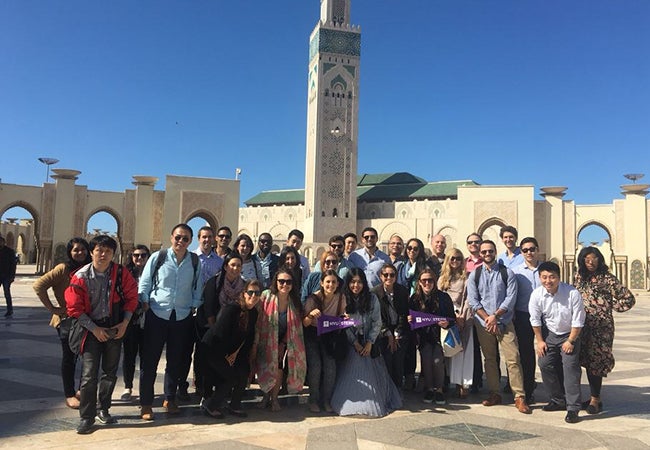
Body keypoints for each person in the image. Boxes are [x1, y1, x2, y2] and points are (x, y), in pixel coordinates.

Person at [65, 235, 138, 434]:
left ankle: (103, 408)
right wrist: (94, 329)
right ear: (91, 252)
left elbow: (132, 296)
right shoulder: (80, 276)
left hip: (114, 326)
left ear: (114, 254)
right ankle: (86, 416)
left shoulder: (121, 274)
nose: (103, 254)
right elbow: (74, 309)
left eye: (107, 251)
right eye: (99, 250)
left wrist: (125, 323)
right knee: (89, 375)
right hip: (90, 330)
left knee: (110, 372)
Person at [138, 223, 203, 421]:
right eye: (178, 237)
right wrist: (144, 301)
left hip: (181, 316)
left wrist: (194, 304)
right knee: (150, 361)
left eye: (185, 238)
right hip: (157, 313)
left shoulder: (193, 260)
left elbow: (198, 284)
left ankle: (170, 398)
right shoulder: (159, 257)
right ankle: (146, 404)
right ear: (171, 237)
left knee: (176, 361)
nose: (181, 242)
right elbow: (145, 281)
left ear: (190, 241)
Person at [466, 239, 531, 414]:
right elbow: (473, 300)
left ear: (495, 252)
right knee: (490, 359)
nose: (488, 254)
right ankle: (495, 393)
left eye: (491, 251)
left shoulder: (506, 273)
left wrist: (496, 316)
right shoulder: (475, 275)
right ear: (480, 254)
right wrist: (488, 318)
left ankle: (519, 396)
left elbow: (511, 298)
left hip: (504, 321)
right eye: (484, 252)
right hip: (484, 323)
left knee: (513, 358)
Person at [330, 269, 402, 417]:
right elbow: (345, 325)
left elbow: (377, 322)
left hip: (369, 342)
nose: (356, 285)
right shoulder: (343, 299)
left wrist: (369, 342)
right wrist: (355, 343)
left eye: (359, 282)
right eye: (353, 282)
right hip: (352, 344)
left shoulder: (372, 299)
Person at [574, 246, 635, 415]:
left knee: (596, 362)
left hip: (601, 328)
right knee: (582, 360)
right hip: (582, 326)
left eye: (594, 259)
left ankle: (595, 399)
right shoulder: (579, 278)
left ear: (599, 259)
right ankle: (583, 396)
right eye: (587, 259)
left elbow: (629, 298)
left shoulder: (607, 278)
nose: (590, 262)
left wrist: (611, 306)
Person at [33, 237, 91, 409]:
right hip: (67, 321)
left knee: (88, 356)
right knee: (69, 357)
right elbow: (39, 285)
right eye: (75, 250)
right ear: (69, 252)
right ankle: (69, 393)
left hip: (87, 319)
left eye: (83, 249)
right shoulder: (63, 269)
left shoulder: (91, 268)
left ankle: (82, 390)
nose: (79, 253)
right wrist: (53, 308)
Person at [529, 262, 585, 424]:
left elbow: (578, 320)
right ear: (539, 278)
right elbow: (535, 319)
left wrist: (571, 340)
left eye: (552, 277)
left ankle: (573, 407)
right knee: (545, 363)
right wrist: (540, 341)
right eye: (544, 277)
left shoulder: (572, 293)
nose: (548, 281)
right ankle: (557, 399)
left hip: (570, 334)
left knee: (570, 368)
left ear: (559, 277)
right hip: (551, 335)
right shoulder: (537, 295)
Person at [199, 279, 261, 419]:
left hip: (232, 352)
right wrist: (227, 356)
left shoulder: (253, 313)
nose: (253, 296)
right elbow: (220, 334)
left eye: (257, 293)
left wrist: (243, 357)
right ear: (244, 293)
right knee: (231, 377)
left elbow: (248, 338)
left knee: (243, 372)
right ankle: (210, 405)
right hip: (214, 349)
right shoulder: (232, 309)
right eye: (250, 292)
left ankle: (234, 405)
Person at [254, 267, 306, 412]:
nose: (284, 284)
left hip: (285, 341)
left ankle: (274, 398)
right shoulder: (266, 296)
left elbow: (295, 325)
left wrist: (283, 343)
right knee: (264, 367)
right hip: (265, 339)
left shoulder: (294, 302)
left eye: (288, 282)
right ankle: (265, 397)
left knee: (278, 368)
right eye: (281, 281)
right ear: (276, 282)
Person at [195, 252, 245, 398]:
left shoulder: (243, 285)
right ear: (225, 266)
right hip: (213, 328)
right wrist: (215, 330)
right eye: (232, 265)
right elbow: (209, 308)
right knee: (208, 360)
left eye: (238, 265)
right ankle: (205, 390)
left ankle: (223, 391)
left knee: (224, 362)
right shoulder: (215, 282)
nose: (235, 268)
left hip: (231, 330)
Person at [408, 268, 455, 405]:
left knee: (437, 361)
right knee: (426, 360)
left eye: (430, 280)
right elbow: (411, 318)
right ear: (419, 282)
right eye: (424, 280)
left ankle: (439, 389)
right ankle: (429, 388)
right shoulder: (415, 298)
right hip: (423, 336)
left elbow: (452, 318)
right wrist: (410, 319)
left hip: (440, 335)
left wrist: (447, 322)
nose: (427, 283)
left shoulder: (443, 297)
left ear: (434, 282)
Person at [303, 269, 347, 413]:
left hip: (330, 336)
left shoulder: (340, 298)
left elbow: (341, 317)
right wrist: (310, 316)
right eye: (328, 282)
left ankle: (327, 400)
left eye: (334, 282)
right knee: (315, 367)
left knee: (330, 368)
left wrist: (344, 319)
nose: (331, 285)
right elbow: (304, 323)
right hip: (313, 335)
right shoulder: (313, 299)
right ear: (322, 283)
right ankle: (313, 400)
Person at [437, 248, 473, 398]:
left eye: (458, 258)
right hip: (446, 316)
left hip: (461, 316)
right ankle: (445, 382)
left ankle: (462, 383)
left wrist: (462, 317)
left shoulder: (467, 278)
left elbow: (468, 299)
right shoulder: (442, 279)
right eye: (452, 258)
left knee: (462, 351)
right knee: (447, 348)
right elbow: (437, 298)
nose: (455, 262)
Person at [512, 237, 542, 404]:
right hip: (523, 316)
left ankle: (558, 392)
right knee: (526, 355)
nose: (529, 252)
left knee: (549, 355)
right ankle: (528, 390)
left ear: (537, 250)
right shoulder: (516, 271)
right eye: (525, 250)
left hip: (545, 318)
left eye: (532, 249)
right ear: (521, 252)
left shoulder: (545, 271)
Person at [372, 263, 410, 390]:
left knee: (398, 361)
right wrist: (388, 334)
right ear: (380, 276)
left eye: (392, 275)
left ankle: (397, 389)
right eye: (386, 275)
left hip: (399, 329)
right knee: (386, 360)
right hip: (382, 330)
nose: (389, 277)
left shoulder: (402, 291)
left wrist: (396, 334)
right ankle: (386, 389)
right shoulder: (375, 293)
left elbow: (403, 313)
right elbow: (377, 317)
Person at [120, 244, 150, 402]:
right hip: (131, 320)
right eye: (136, 255)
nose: (139, 258)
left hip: (148, 320)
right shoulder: (125, 274)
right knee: (129, 355)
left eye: (143, 255)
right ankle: (128, 386)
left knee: (146, 356)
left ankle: (144, 387)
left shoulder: (154, 273)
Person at [0, 235, 17, 317]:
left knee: (7, 293)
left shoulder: (9, 251)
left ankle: (9, 310)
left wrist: (12, 276)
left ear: (4, 242)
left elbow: (13, 265)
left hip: (6, 276)